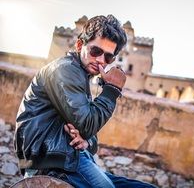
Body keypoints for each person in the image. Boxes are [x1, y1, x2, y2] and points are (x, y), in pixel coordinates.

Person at [14, 14, 156, 188]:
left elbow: (90, 136)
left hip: (71, 157)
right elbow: (87, 124)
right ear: (80, 45)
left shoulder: (83, 76)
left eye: (108, 57)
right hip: (49, 161)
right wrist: (112, 90)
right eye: (96, 51)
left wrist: (86, 141)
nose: (101, 60)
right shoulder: (65, 70)